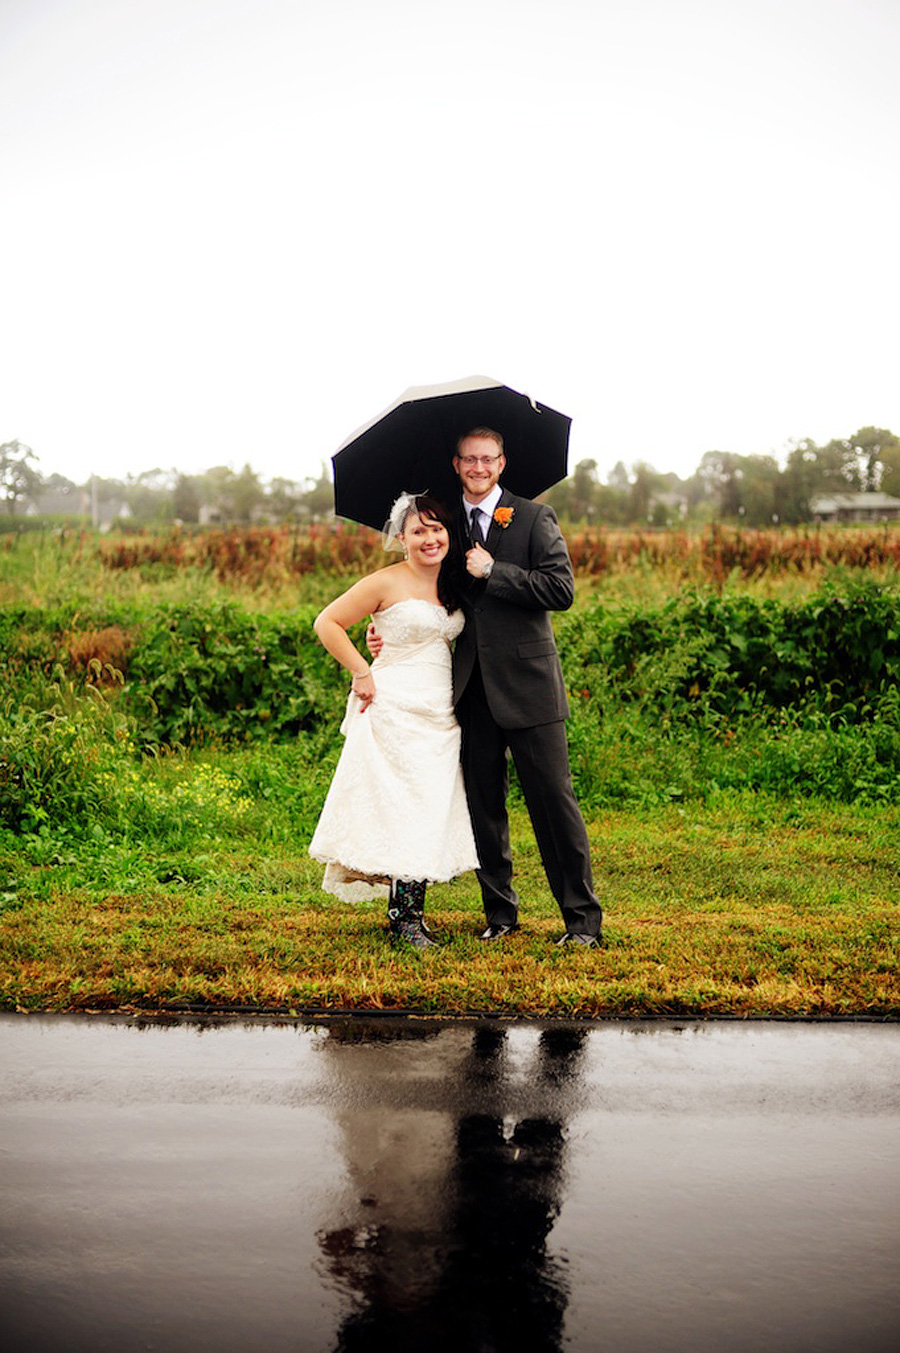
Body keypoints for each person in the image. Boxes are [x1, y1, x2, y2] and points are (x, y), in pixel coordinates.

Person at [372, 430, 603, 947]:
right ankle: (500, 916)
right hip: (470, 690)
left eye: (488, 458)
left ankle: (582, 923)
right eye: (469, 459)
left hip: (530, 687)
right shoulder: (444, 524)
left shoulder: (534, 517)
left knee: (553, 804)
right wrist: (384, 625)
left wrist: (496, 570)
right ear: (456, 464)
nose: (478, 466)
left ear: (502, 463)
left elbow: (560, 590)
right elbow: (431, 590)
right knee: (484, 809)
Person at [308, 493, 479, 949]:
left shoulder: (455, 582)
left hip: (440, 709)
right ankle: (404, 920)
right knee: (404, 806)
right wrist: (361, 670)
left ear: (449, 534)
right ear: (401, 538)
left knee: (426, 806)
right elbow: (326, 623)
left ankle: (411, 914)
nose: (429, 538)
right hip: (393, 706)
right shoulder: (384, 582)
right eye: (418, 530)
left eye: (437, 528)